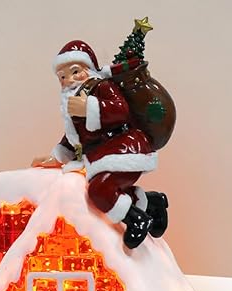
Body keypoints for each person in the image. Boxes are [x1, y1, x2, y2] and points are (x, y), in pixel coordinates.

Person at [32, 40, 168, 249]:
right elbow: (75, 136)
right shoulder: (75, 98)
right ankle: (150, 203)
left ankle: (136, 220)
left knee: (99, 189)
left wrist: (90, 107)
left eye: (75, 71)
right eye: (62, 77)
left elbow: (120, 110)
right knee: (109, 188)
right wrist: (58, 156)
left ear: (88, 69)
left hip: (125, 148)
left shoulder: (101, 87)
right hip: (105, 152)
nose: (69, 79)